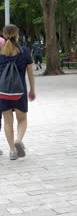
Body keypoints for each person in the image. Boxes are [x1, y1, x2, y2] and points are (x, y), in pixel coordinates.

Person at [0, 24, 36, 160]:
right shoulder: (25, 51)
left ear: (4, 35)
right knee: (22, 119)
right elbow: (31, 74)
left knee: (8, 122)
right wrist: (32, 90)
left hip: (3, 93)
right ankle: (18, 140)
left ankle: (12, 151)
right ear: (17, 35)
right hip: (19, 92)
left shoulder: (0, 52)